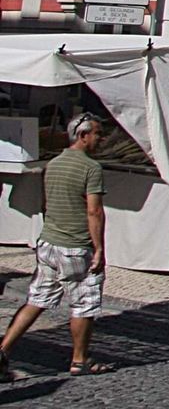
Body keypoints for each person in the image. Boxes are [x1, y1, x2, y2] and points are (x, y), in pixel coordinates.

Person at [0, 114, 111, 377]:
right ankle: (79, 360)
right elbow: (94, 212)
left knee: (37, 300)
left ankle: (3, 349)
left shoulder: (53, 164)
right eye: (97, 134)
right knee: (84, 302)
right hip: (75, 245)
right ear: (83, 136)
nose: (101, 139)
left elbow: (45, 205)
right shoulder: (91, 168)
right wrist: (99, 249)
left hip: (49, 242)